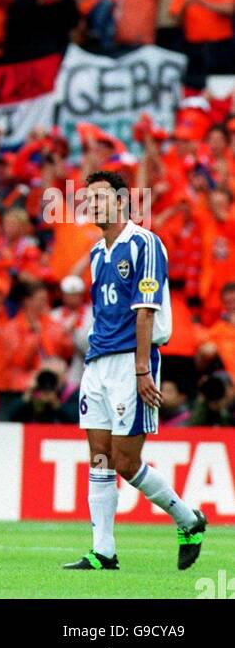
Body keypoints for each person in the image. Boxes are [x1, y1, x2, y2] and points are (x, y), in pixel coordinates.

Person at [64, 170, 207, 573]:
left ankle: (187, 518)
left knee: (126, 462)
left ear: (122, 201)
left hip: (132, 362)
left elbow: (145, 311)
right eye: (88, 198)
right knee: (99, 459)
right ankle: (103, 551)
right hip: (98, 363)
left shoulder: (144, 243)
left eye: (101, 196)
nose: (93, 203)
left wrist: (143, 369)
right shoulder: (96, 253)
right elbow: (103, 312)